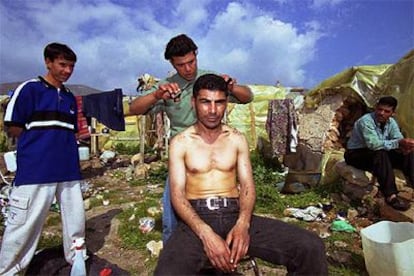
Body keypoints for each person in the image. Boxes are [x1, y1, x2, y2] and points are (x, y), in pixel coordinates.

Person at [154, 74, 328, 275]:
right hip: (196, 220)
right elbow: (177, 195)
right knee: (167, 271)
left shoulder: (236, 139)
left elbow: (247, 186)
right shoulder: (180, 142)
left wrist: (243, 224)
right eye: (205, 102)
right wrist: (206, 234)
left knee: (310, 246)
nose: (212, 110)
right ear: (193, 103)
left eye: (219, 102)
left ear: (226, 103)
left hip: (234, 214)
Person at [128, 34, 253, 243]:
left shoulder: (211, 80)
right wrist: (157, 96)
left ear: (196, 54)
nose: (187, 69)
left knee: (223, 216)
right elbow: (134, 108)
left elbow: (247, 96)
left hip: (213, 153)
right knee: (171, 221)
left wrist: (231, 87)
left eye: (191, 62)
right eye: (181, 65)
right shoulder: (167, 86)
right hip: (183, 159)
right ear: (171, 63)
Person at [0, 42, 86, 275]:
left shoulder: (69, 97)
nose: (67, 71)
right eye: (62, 65)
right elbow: (13, 126)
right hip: (36, 171)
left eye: (71, 66)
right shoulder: (30, 89)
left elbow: (73, 132)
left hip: (68, 171)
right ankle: (9, 270)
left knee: (75, 223)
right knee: (23, 225)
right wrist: (38, 147)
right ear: (48, 62)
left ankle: (77, 260)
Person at [345, 96, 414, 211]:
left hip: (376, 153)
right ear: (376, 108)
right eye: (380, 109)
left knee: (409, 154)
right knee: (380, 154)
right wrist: (399, 143)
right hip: (356, 154)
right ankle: (391, 196)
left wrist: (405, 147)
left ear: (392, 113)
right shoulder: (366, 121)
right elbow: (374, 144)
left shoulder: (391, 123)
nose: (382, 113)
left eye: (386, 111)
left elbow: (398, 138)